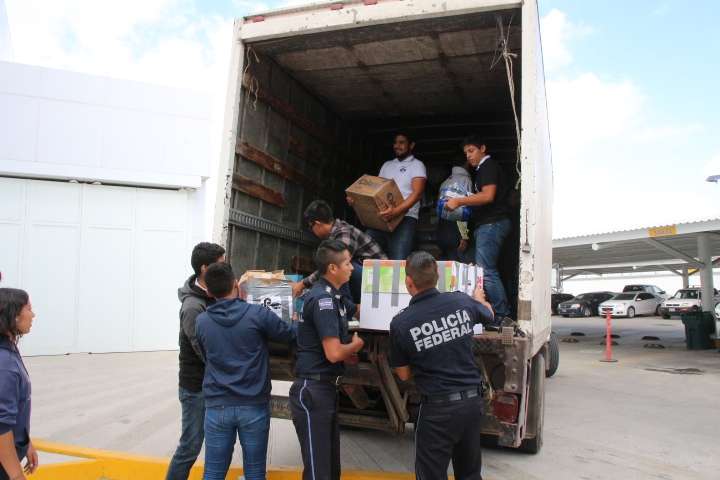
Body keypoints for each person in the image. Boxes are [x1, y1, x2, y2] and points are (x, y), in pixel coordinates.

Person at [388, 252, 494, 480]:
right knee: (470, 473)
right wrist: (478, 299)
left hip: (437, 411)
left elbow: (404, 374)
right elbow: (489, 314)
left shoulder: (401, 323)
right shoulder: (461, 301)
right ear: (437, 276)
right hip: (471, 405)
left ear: (409, 282)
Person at [195, 263, 296, 480]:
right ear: (236, 285)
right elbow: (288, 335)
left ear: (209, 292)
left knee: (212, 472)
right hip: (253, 406)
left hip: (217, 406)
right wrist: (296, 320)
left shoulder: (202, 322)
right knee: (255, 471)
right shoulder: (258, 314)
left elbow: (205, 355)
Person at [289, 240, 365, 480]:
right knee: (318, 471)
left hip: (325, 388)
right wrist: (354, 346)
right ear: (332, 268)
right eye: (346, 263)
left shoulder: (336, 296)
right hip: (313, 390)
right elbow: (333, 353)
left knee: (330, 470)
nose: (352, 268)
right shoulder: (323, 300)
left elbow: (358, 310)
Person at [166, 242, 226, 480]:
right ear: (204, 268)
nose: (225, 267)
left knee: (215, 445)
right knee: (190, 446)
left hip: (211, 383)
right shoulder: (193, 306)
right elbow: (202, 348)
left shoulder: (214, 293)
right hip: (196, 387)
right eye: (220, 264)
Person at [444, 135, 512, 321]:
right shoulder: (482, 170)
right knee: (483, 268)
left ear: (483, 148)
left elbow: (488, 196)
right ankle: (497, 312)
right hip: (488, 224)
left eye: (472, 151)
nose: (469, 156)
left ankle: (501, 316)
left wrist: (459, 200)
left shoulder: (488, 167)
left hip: (492, 224)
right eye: (466, 153)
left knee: (487, 271)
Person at [291, 200, 387, 303]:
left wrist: (303, 284)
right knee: (338, 267)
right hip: (367, 274)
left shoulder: (344, 232)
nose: (312, 231)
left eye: (311, 227)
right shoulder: (334, 235)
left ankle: (349, 308)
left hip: (382, 278)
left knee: (340, 267)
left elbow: (333, 264)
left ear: (318, 224)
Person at [353, 132, 426, 260]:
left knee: (398, 260)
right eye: (395, 142)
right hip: (383, 218)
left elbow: (417, 194)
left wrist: (396, 211)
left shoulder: (417, 165)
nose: (397, 146)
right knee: (365, 254)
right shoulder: (387, 165)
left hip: (405, 219)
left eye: (402, 142)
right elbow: (376, 192)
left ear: (411, 145)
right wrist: (356, 201)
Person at [0, 288, 38, 480]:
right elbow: (1, 426)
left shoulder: (10, 348)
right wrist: (15, 474)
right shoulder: (4, 363)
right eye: (28, 308)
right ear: (13, 315)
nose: (33, 314)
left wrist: (26, 442)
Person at [437, 159, 473, 261]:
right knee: (457, 269)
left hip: (442, 230)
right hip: (455, 232)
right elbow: (463, 213)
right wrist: (464, 236)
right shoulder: (466, 181)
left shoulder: (445, 182)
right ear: (466, 162)